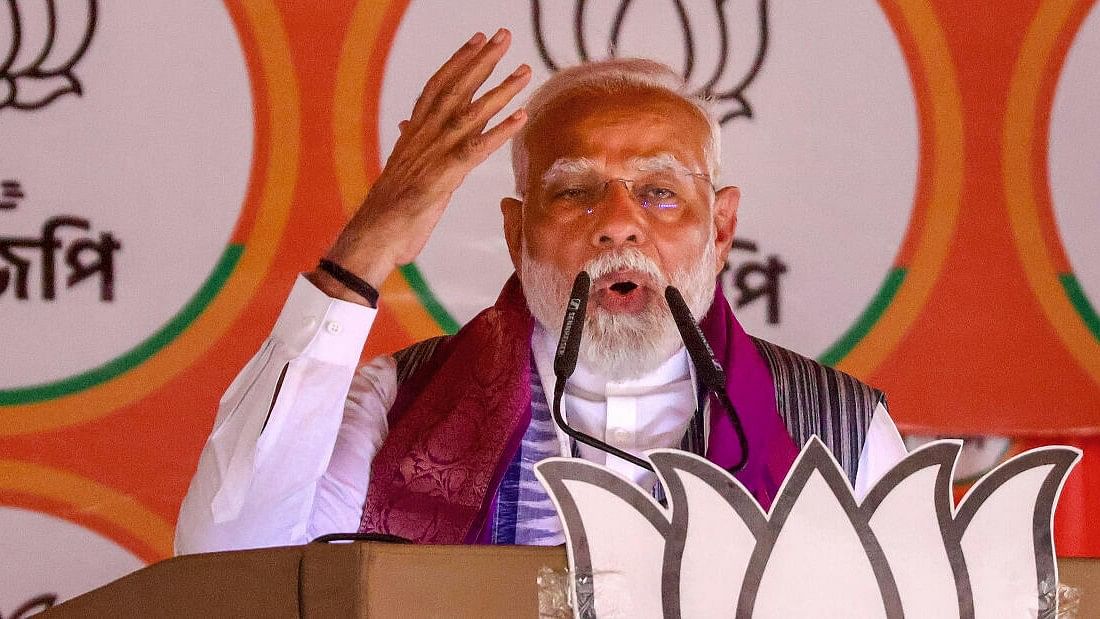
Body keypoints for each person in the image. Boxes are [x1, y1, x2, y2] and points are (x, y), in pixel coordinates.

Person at [175, 28, 907, 553]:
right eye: (575, 193)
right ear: (515, 233)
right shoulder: (396, 405)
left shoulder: (841, 430)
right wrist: (363, 250)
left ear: (720, 229)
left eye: (658, 192)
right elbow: (226, 560)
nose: (618, 226)